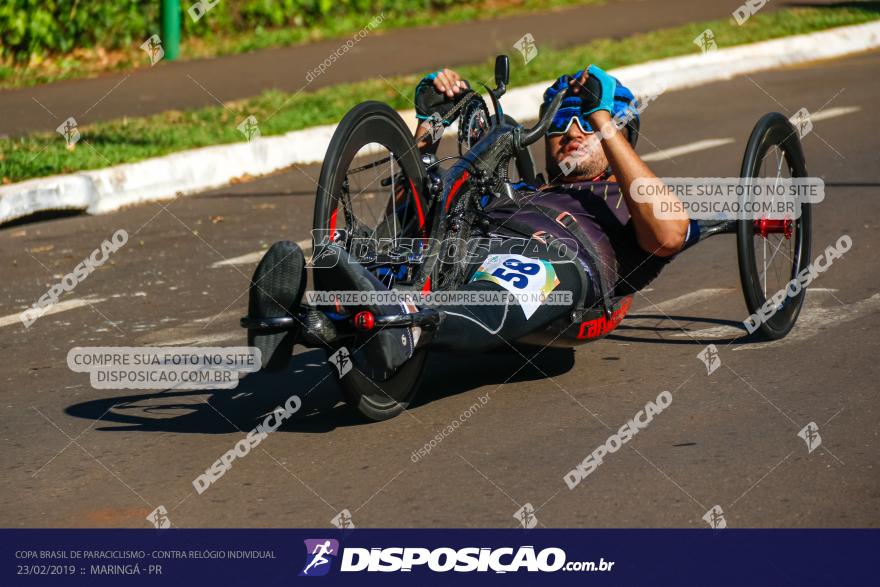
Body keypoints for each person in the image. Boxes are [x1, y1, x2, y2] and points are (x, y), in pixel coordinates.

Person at [248, 65, 691, 375]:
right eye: (559, 121)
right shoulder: (520, 190)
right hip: (467, 250)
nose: (571, 132)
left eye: (585, 122)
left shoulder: (625, 199)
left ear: (619, 135)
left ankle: (403, 325)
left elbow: (671, 234)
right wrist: (428, 126)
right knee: (396, 242)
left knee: (520, 276)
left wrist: (603, 118)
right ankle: (295, 318)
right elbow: (410, 216)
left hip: (557, 265)